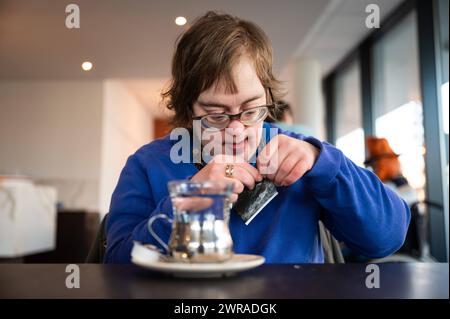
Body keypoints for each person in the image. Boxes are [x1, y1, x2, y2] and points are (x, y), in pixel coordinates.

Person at [104, 11, 410, 264]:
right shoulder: (148, 164)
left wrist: (325, 165)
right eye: (216, 115)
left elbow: (386, 238)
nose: (236, 130)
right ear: (188, 109)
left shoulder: (304, 157)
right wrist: (189, 200)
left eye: (251, 110)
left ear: (267, 96)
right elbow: (116, 266)